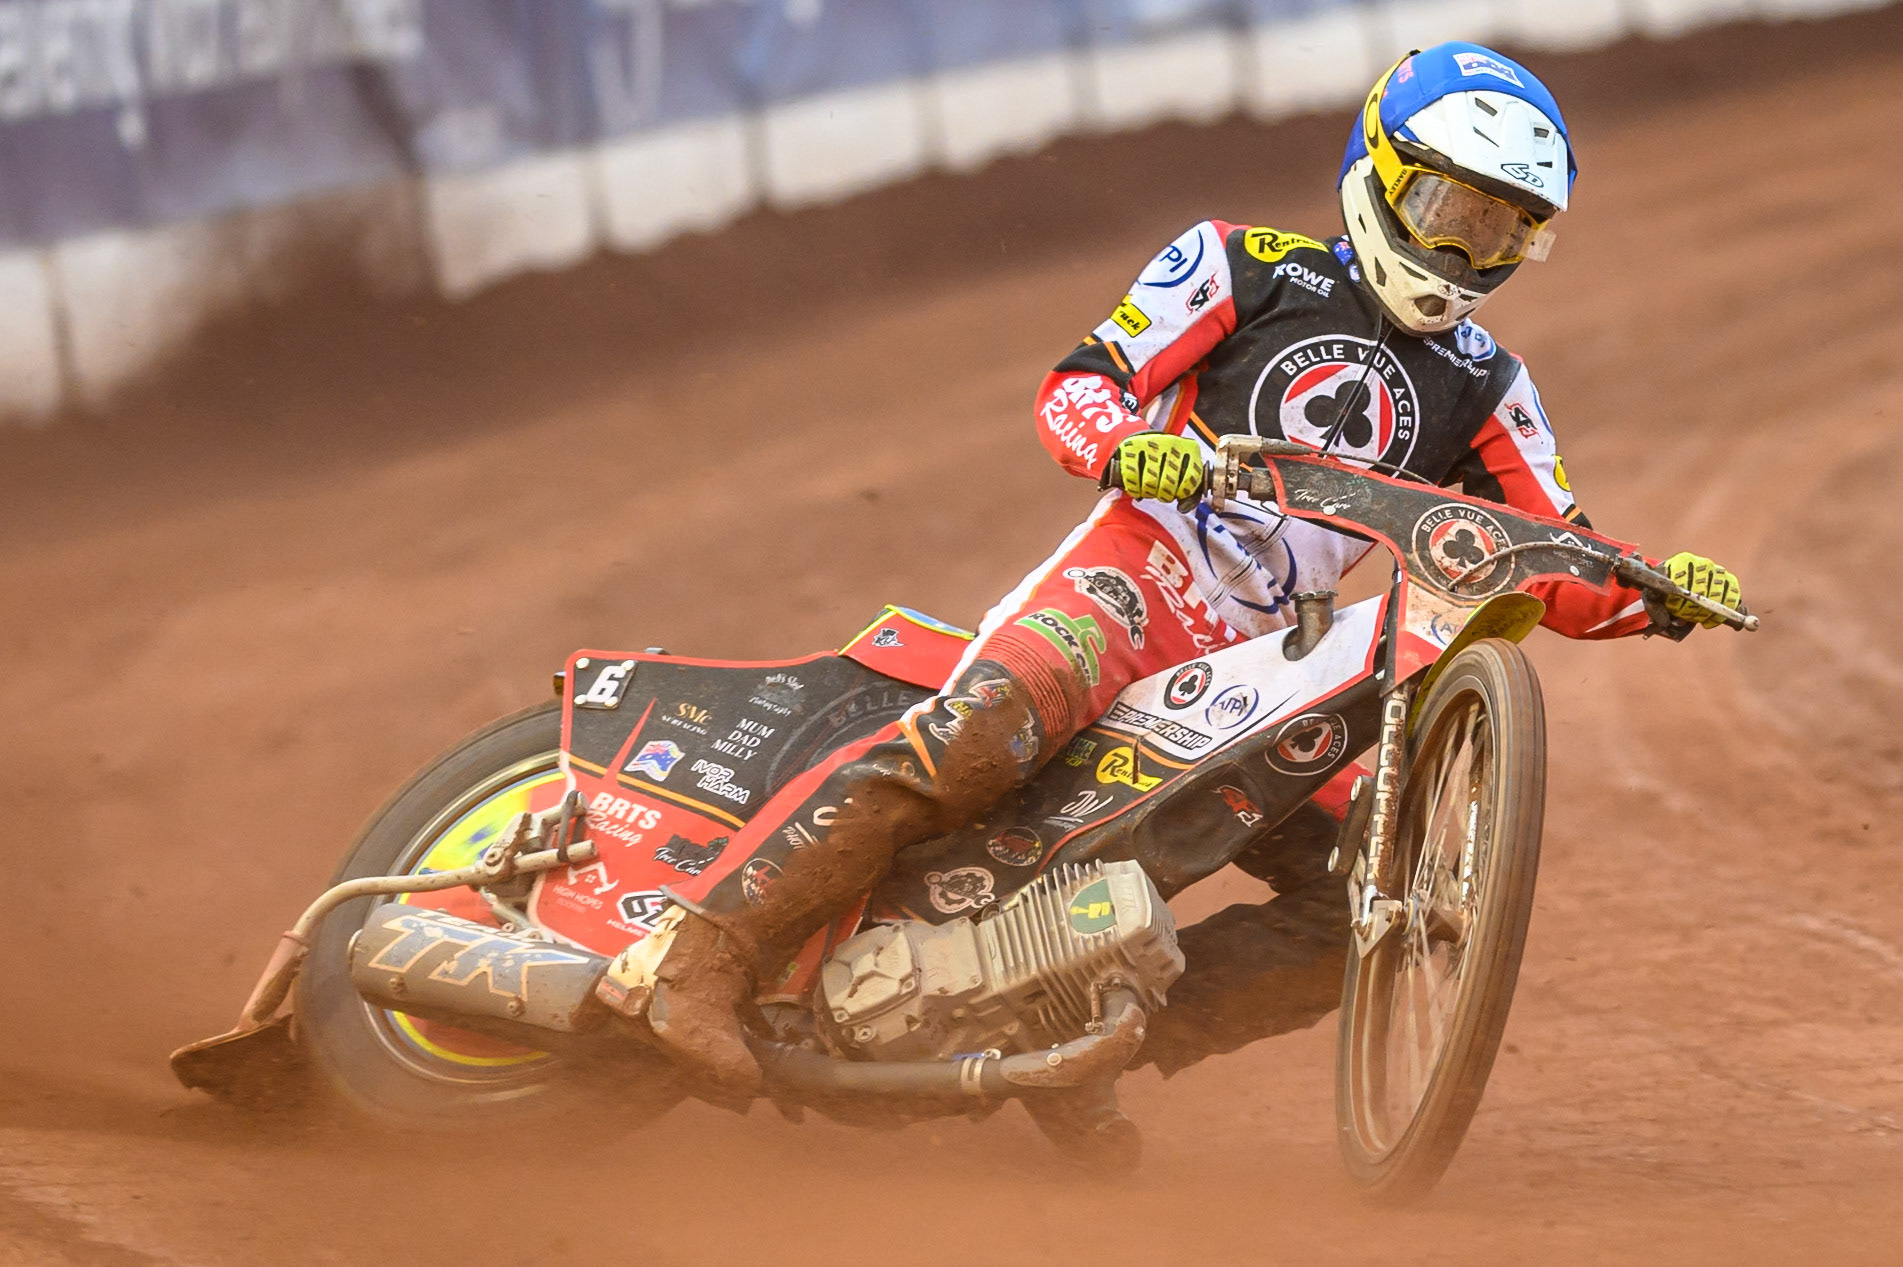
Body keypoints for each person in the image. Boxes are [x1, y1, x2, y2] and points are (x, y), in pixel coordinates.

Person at [623, 42, 1744, 1096]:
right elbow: (1079, 384)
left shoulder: (1491, 385)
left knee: (1366, 894)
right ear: (1379, 173)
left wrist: (1657, 589)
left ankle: (1076, 1043)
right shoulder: (1237, 264)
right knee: (980, 732)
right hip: (1130, 580)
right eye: (1450, 212)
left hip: (1270, 660)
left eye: (1502, 233)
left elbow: (1549, 554)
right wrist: (1128, 446)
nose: (1464, 254)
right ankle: (701, 952)